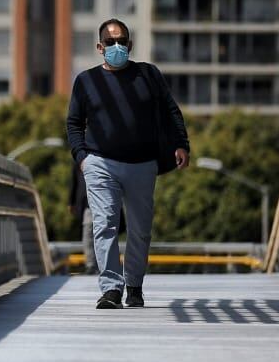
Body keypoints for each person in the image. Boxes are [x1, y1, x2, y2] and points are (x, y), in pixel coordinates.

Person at [66, 18, 190, 309]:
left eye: (122, 41)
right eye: (110, 42)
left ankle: (134, 285)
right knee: (104, 224)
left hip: (142, 164)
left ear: (130, 44)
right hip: (99, 164)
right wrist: (82, 158)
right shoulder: (86, 80)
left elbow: (171, 110)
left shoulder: (148, 74)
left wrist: (181, 144)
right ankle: (111, 288)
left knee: (140, 229)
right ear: (100, 47)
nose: (117, 46)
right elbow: (74, 123)